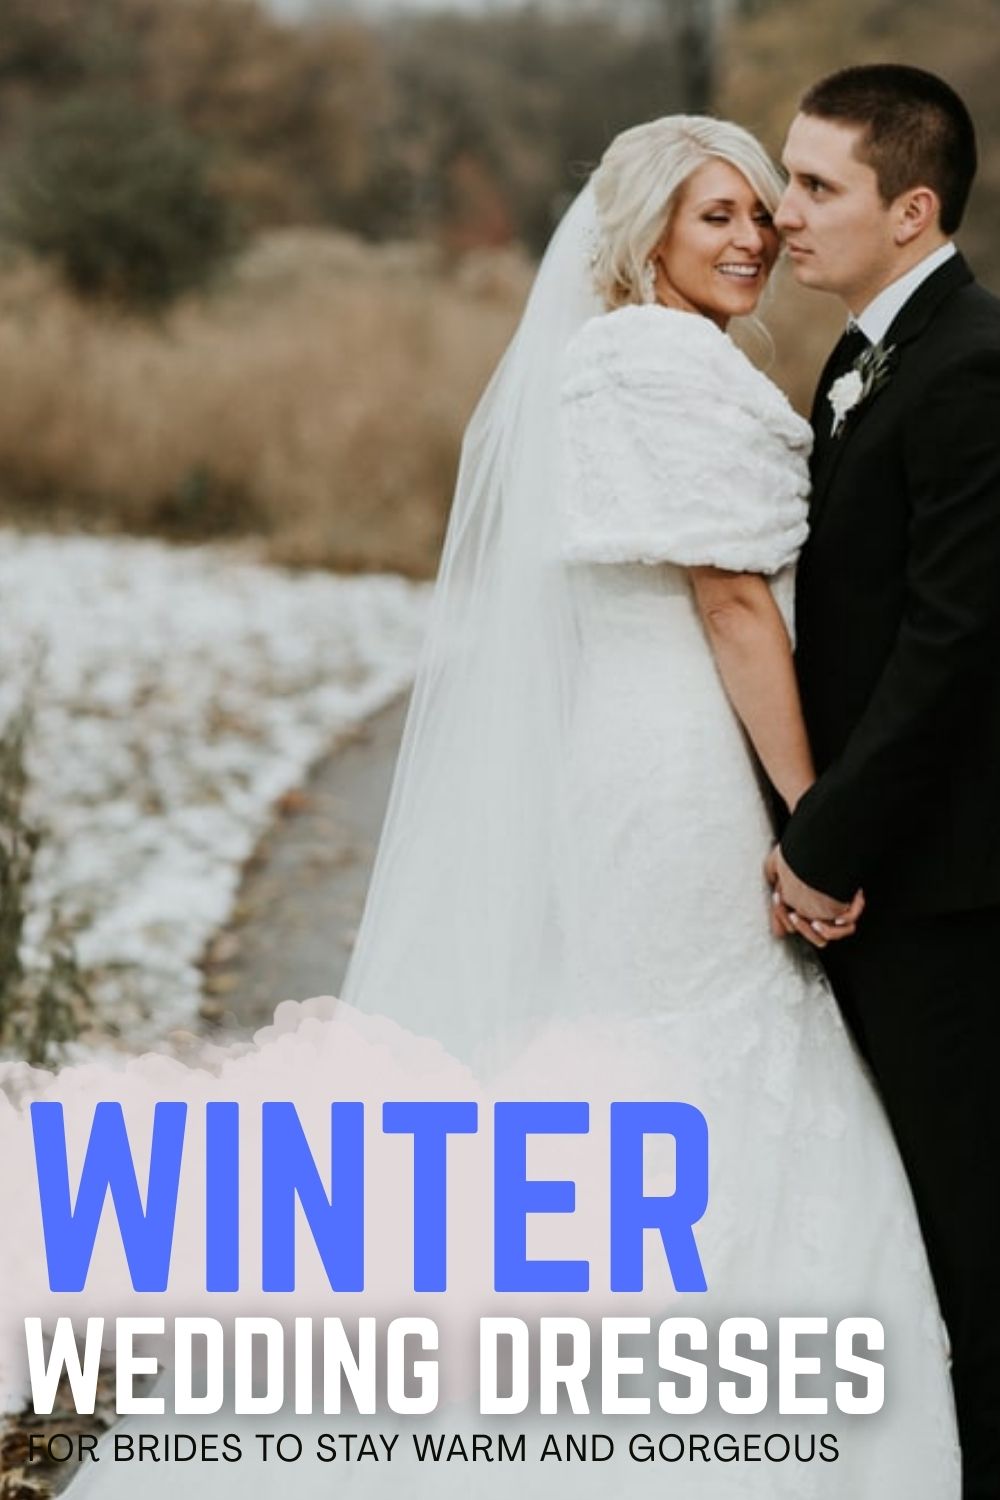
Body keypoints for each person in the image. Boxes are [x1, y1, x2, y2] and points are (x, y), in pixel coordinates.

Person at [1, 117, 961, 1496]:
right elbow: (736, 603)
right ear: (645, 235)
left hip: (631, 750)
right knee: (716, 1045)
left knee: (640, 1053)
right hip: (691, 763)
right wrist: (815, 824)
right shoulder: (664, 363)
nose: (753, 236)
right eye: (717, 216)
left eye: (764, 210)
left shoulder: (601, 360)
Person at [770, 64, 1000, 1500]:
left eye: (817, 186)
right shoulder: (866, 359)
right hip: (892, 867)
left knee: (966, 1225)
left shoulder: (973, 365)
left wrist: (826, 838)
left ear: (910, 210)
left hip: (947, 884)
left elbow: (957, 637)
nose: (786, 212)